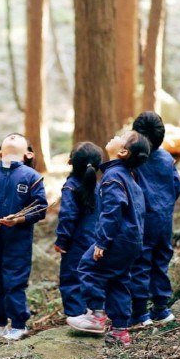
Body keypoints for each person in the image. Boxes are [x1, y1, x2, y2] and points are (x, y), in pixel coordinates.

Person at [66, 130, 150, 347]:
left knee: (87, 267)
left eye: (122, 136)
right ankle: (121, 331)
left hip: (116, 239)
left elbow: (112, 212)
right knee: (118, 280)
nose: (116, 135)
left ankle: (96, 315)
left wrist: (103, 241)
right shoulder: (129, 177)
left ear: (123, 152)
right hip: (132, 241)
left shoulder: (113, 177)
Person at [0, 133, 48, 341]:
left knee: (15, 279)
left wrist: (19, 219)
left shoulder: (32, 177)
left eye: (18, 138)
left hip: (18, 239)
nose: (13, 137)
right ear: (0, 152)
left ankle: (19, 324)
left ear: (28, 154)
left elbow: (41, 208)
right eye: (9, 137)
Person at [129, 111, 180, 327]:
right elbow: (177, 185)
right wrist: (166, 202)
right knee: (161, 261)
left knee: (141, 263)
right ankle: (161, 308)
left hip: (143, 220)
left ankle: (140, 313)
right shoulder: (167, 159)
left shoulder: (135, 161)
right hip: (164, 220)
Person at [54, 142, 103, 318]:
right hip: (97, 242)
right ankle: (96, 312)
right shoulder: (100, 187)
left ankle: (76, 316)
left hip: (76, 243)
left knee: (71, 278)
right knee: (93, 276)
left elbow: (68, 216)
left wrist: (61, 241)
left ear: (70, 162)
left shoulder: (71, 186)